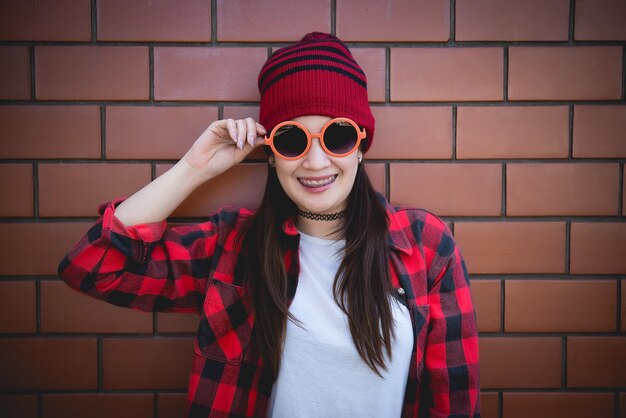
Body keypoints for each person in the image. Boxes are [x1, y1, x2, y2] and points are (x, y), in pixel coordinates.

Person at [58, 32, 480, 418]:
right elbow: (93, 266)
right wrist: (194, 169)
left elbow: (455, 403)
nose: (316, 163)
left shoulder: (425, 247)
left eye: (337, 137)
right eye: (293, 141)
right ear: (272, 153)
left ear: (360, 148)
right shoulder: (234, 248)